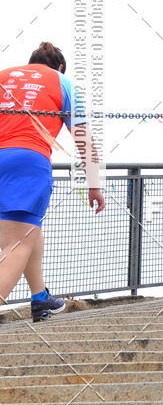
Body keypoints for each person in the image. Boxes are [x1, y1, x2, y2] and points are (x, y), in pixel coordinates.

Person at [0, 42, 105, 321]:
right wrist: (94, 183)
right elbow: (83, 137)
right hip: (27, 160)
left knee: (29, 230)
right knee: (16, 244)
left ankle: (40, 298)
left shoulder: (4, 75)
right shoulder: (63, 82)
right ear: (59, 66)